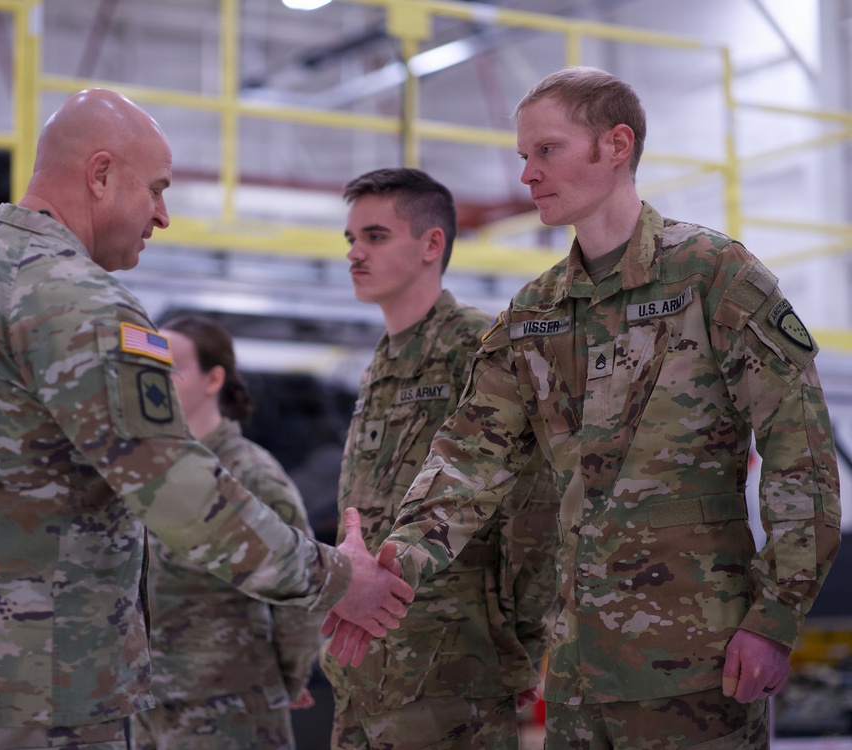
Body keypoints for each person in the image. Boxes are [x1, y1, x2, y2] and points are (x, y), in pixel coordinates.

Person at [0, 87, 413, 750]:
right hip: (50, 682)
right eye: (155, 189)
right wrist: (336, 581)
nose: (163, 215)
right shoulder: (81, 301)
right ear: (100, 175)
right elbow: (177, 490)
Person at [327, 67, 842, 749]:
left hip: (697, 664)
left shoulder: (712, 276)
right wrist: (392, 568)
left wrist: (775, 618)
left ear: (616, 144)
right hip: (576, 670)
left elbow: (798, 454)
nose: (528, 175)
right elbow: (468, 460)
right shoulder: (535, 314)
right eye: (523, 156)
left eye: (548, 150)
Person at [319, 167, 559, 749]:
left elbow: (536, 502)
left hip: (451, 671)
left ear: (432, 244)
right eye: (350, 239)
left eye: (374, 237)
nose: (355, 253)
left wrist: (520, 643)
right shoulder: (382, 362)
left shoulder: (477, 348)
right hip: (366, 668)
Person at [132, 314, 322, 750]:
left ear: (213, 378)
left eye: (169, 368)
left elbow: (305, 585)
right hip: (151, 703)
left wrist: (287, 680)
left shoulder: (249, 476)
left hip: (229, 707)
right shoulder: (144, 470)